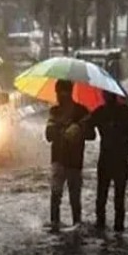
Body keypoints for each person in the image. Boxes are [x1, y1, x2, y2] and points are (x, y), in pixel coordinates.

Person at [83, 91, 128, 232]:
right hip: (113, 161)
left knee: (111, 198)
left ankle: (106, 229)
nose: (105, 96)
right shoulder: (114, 112)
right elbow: (87, 128)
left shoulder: (117, 112)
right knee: (107, 198)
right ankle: (112, 229)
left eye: (106, 94)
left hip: (115, 161)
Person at [45, 79, 95, 231]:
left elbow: (92, 135)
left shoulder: (82, 112)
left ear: (70, 93)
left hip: (74, 161)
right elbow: (48, 136)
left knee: (75, 197)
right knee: (55, 195)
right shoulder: (54, 111)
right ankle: (55, 225)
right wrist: (59, 128)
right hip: (58, 160)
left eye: (63, 93)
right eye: (58, 93)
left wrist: (79, 129)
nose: (60, 97)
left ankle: (77, 224)